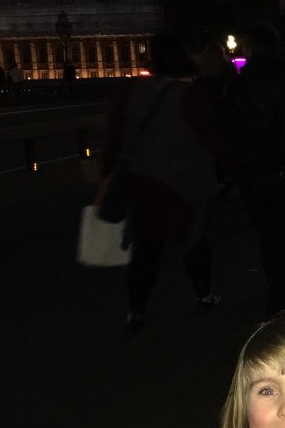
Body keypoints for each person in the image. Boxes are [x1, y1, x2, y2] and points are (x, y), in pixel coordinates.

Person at [98, 32, 231, 332]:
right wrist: (232, 172)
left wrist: (108, 174)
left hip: (144, 182)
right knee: (194, 240)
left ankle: (136, 310)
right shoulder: (193, 96)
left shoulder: (131, 89)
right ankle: (204, 294)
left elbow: (115, 136)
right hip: (184, 183)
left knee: (146, 249)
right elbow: (215, 141)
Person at [223, 24, 285, 316]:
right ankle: (279, 296)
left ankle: (276, 290)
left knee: (266, 233)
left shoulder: (239, 83)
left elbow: (229, 128)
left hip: (253, 170)